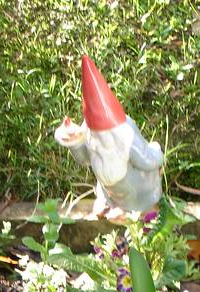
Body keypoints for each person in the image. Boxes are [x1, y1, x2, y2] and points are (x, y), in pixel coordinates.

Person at [55, 56, 164, 217]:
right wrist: (75, 142)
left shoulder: (125, 137)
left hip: (137, 191)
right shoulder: (91, 136)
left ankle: (131, 210)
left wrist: (156, 152)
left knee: (136, 199)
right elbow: (84, 159)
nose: (98, 142)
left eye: (103, 136)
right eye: (96, 135)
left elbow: (147, 160)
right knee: (107, 192)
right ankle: (109, 203)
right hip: (109, 190)